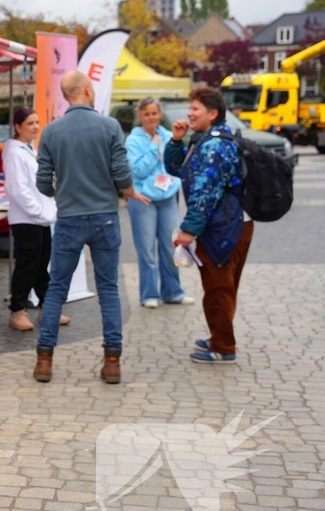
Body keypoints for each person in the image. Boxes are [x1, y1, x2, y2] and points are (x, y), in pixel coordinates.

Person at [34, 71, 150, 384]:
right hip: (105, 218)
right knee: (108, 289)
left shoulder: (51, 131)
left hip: (69, 218)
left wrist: (62, 191)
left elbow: (43, 183)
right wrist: (126, 190)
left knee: (57, 288)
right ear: (87, 89)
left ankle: (44, 360)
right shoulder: (110, 126)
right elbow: (122, 174)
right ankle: (112, 361)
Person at [165, 85, 252, 364]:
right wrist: (176, 142)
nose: (189, 113)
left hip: (224, 227)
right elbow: (177, 170)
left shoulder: (214, 145)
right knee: (221, 286)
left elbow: (204, 193)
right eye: (190, 108)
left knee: (218, 288)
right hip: (228, 224)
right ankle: (219, 335)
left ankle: (224, 347)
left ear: (212, 114)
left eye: (195, 109)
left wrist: (188, 231)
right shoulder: (204, 139)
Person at [124, 97, 194, 309]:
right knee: (146, 250)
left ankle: (173, 292)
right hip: (143, 200)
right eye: (147, 114)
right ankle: (149, 294)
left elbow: (178, 161)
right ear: (140, 116)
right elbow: (138, 171)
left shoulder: (169, 136)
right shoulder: (133, 141)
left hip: (167, 199)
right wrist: (154, 148)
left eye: (154, 113)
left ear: (160, 115)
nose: (151, 118)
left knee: (170, 246)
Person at [3, 107, 66, 331]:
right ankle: (17, 310)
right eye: (30, 123)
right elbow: (18, 189)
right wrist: (38, 211)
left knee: (41, 266)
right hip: (26, 219)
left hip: (41, 218)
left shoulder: (29, 150)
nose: (36, 127)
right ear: (18, 127)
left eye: (37, 122)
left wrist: (47, 210)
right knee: (27, 267)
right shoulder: (14, 153)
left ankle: (47, 308)